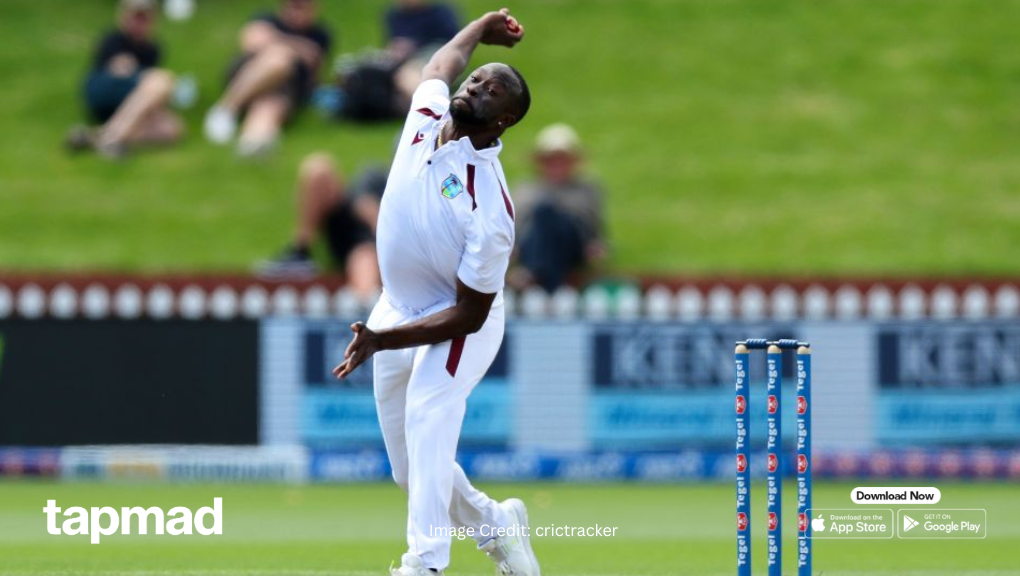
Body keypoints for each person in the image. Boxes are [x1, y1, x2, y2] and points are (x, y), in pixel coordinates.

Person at [330, 9, 539, 576]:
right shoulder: (426, 115)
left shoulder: (491, 207)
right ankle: (497, 526)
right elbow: (441, 63)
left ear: (504, 121)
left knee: (427, 417)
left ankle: (423, 563)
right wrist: (481, 26)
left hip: (458, 322)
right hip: (395, 309)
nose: (474, 87)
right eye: (477, 79)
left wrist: (384, 340)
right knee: (411, 471)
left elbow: (469, 315)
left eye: (491, 91)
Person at [203, 0, 332, 156]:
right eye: (293, 6)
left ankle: (251, 146)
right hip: (250, 74)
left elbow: (315, 67)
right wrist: (299, 48)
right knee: (280, 60)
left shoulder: (320, 34)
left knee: (269, 109)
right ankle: (226, 108)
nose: (296, 14)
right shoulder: (267, 19)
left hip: (286, 88)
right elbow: (250, 41)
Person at [256, 152, 385, 298]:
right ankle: (301, 253)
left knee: (364, 258)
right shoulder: (376, 176)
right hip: (354, 234)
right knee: (319, 171)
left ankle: (364, 304)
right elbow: (364, 206)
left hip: (374, 251)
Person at [66, 0, 182, 158]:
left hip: (131, 102)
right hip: (105, 92)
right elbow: (120, 69)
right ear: (124, 16)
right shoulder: (113, 40)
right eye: (135, 17)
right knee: (162, 80)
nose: (139, 23)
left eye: (144, 18)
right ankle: (114, 139)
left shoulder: (153, 49)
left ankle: (94, 137)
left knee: (171, 129)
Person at [511, 123, 607, 292]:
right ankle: (549, 280)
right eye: (551, 160)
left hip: (571, 247)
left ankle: (533, 272)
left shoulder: (587, 190)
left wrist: (597, 247)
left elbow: (594, 230)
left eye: (562, 159)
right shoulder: (525, 190)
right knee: (543, 213)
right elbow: (517, 228)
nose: (557, 165)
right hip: (531, 246)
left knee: (550, 215)